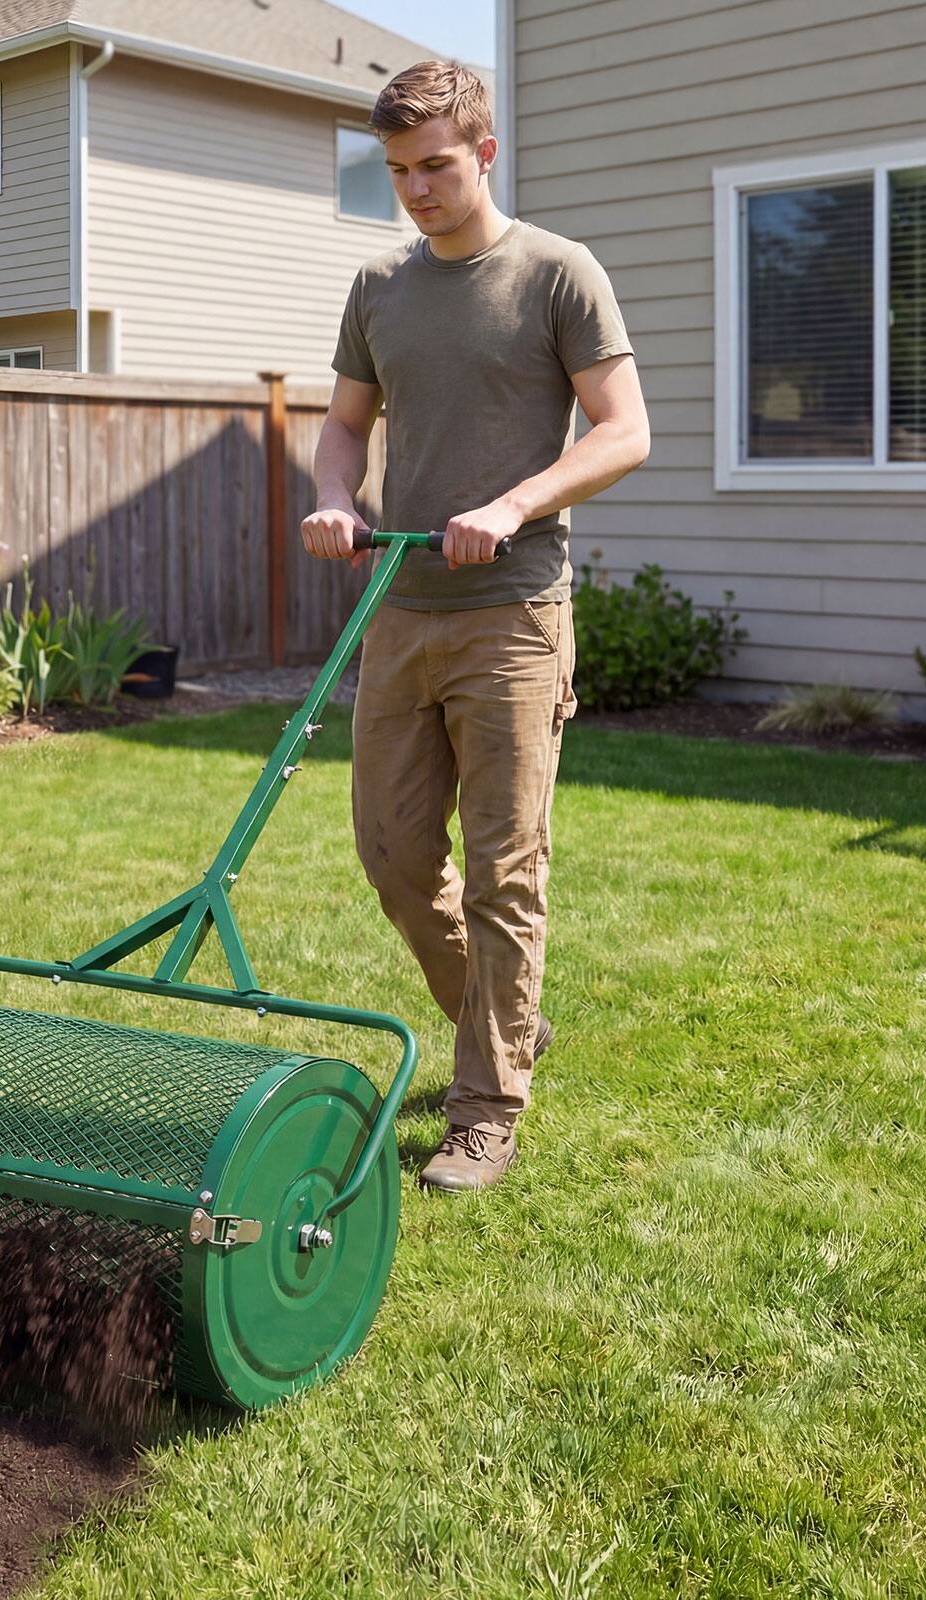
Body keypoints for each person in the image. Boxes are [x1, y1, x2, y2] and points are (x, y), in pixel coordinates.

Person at [301, 60, 649, 1191]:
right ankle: (504, 1024)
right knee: (395, 858)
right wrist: (335, 497)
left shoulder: (557, 273)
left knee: (506, 870)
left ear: (484, 153)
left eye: (436, 167)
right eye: (397, 172)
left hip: (512, 613)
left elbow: (623, 431)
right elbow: (343, 428)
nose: (416, 190)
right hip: (401, 607)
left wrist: (509, 504)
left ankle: (485, 1109)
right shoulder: (377, 288)